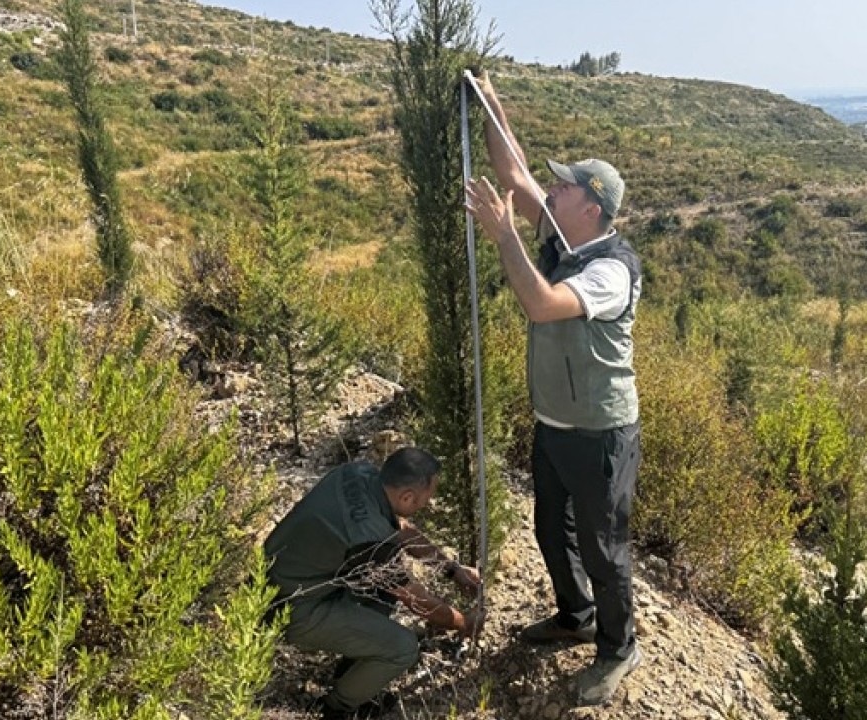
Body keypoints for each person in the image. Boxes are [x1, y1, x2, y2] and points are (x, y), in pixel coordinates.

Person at [464, 72, 642, 707]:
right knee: (551, 530)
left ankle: (618, 648)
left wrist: (504, 235)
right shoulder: (564, 238)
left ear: (591, 207)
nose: (552, 190)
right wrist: (490, 102)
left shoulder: (609, 271)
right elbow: (512, 175)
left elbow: (541, 305)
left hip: (601, 433)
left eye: (564, 186)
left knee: (604, 550)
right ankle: (576, 616)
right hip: (556, 425)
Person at [264, 447, 484, 719]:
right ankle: (338, 707)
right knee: (402, 648)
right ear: (407, 497)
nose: (426, 505)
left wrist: (452, 570)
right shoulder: (369, 538)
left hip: (284, 579)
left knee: (382, 590)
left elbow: (402, 531)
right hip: (290, 608)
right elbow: (416, 600)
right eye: (425, 500)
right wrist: (465, 623)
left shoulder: (357, 472)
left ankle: (353, 669)